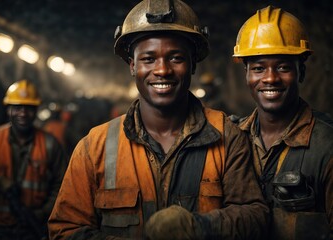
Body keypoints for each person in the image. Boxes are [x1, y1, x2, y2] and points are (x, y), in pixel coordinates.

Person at [48, 0, 269, 239]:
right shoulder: (95, 146)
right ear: (132, 66)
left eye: (176, 58)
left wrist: (197, 227)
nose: (162, 70)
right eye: (148, 59)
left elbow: (255, 217)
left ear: (193, 64)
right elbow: (65, 230)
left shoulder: (227, 136)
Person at [232, 5, 333, 240]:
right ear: (246, 74)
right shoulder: (233, 138)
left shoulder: (326, 146)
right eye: (258, 68)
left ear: (301, 73)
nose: (270, 78)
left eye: (283, 67)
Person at [0, 80, 68, 240]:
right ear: (8, 110)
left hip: (32, 229)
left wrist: (43, 213)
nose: (23, 113)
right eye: (17, 107)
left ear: (36, 110)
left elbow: (63, 187)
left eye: (29, 108)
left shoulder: (50, 145)